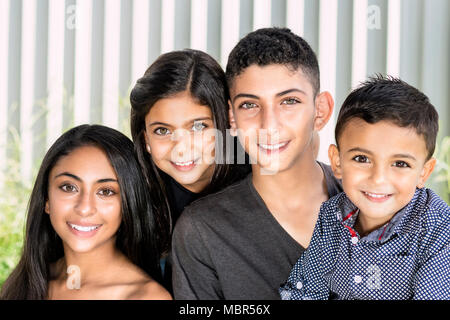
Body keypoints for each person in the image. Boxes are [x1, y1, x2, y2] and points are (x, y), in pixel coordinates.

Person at [171, 27, 342, 299]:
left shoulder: (375, 200)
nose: (269, 124)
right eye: (250, 105)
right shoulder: (202, 231)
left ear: (320, 111)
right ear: (232, 117)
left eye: (289, 101)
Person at [280, 76, 450, 300]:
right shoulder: (332, 215)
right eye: (362, 158)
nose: (378, 178)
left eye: (400, 164)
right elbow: (304, 291)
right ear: (337, 162)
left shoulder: (437, 229)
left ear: (424, 173)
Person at [0, 124, 171, 300]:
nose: (84, 208)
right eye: (68, 187)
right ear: (47, 199)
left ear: (129, 203)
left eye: (106, 191)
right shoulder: (26, 281)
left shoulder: (146, 297)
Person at [129, 49, 251, 292]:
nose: (181, 148)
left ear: (226, 122)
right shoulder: (138, 196)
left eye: (198, 126)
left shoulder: (257, 178)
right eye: (163, 131)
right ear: (145, 141)